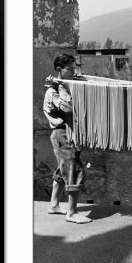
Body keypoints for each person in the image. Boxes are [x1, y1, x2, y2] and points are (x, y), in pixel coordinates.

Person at [43, 53, 92, 224]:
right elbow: (68, 107)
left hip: (67, 134)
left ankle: (54, 205)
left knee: (62, 170)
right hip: (62, 134)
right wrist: (62, 86)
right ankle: (72, 212)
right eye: (69, 69)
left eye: (74, 68)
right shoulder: (54, 91)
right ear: (59, 70)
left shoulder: (66, 85)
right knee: (74, 169)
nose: (73, 72)